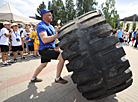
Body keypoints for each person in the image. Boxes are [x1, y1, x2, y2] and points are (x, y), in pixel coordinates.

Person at [30, 9, 68, 84]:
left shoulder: (50, 26)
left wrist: (58, 31)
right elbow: (44, 39)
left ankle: (33, 78)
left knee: (43, 64)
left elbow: (55, 37)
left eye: (51, 15)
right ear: (43, 16)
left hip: (48, 48)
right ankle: (58, 78)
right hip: (45, 50)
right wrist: (56, 35)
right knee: (62, 57)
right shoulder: (41, 25)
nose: (52, 17)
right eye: (49, 15)